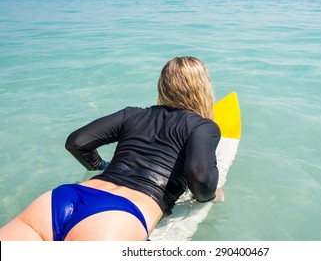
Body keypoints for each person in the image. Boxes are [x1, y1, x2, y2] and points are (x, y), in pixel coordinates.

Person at [0, 56, 222, 241]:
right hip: (117, 216)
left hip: (63, 199)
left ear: (162, 85)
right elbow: (200, 176)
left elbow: (77, 142)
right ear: (203, 87)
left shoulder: (132, 114)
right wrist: (209, 196)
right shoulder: (203, 126)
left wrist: (100, 166)